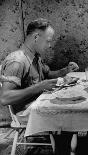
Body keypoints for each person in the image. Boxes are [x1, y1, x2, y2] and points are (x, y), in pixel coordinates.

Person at [0, 18, 79, 155]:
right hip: (24, 113)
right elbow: (5, 98)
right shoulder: (17, 61)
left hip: (39, 103)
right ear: (36, 37)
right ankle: (61, 148)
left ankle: (63, 145)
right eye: (48, 41)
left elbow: (49, 74)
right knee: (66, 112)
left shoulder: (35, 57)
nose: (49, 45)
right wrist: (39, 87)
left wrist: (66, 70)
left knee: (70, 105)